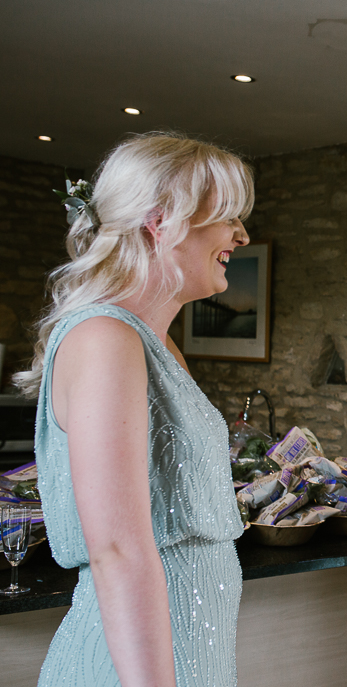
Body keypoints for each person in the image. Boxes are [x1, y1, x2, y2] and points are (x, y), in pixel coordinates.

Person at [14, 133, 252, 687]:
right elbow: (118, 550)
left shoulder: (158, 345)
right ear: (160, 220)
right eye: (226, 216)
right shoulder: (103, 339)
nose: (241, 235)